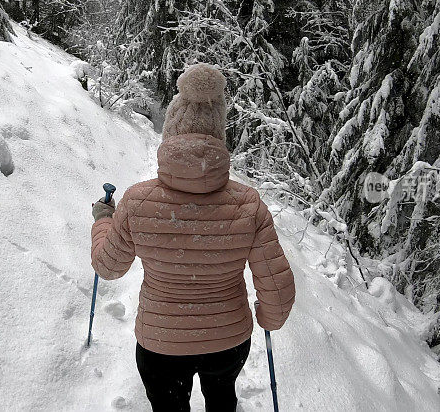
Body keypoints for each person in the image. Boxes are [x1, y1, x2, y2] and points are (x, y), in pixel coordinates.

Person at [90, 63, 295, 412]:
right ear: (220, 135)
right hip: (228, 340)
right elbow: (277, 285)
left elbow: (108, 267)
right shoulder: (247, 205)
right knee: (222, 400)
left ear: (170, 131)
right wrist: (270, 319)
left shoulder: (137, 201)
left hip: (161, 342)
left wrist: (102, 221)